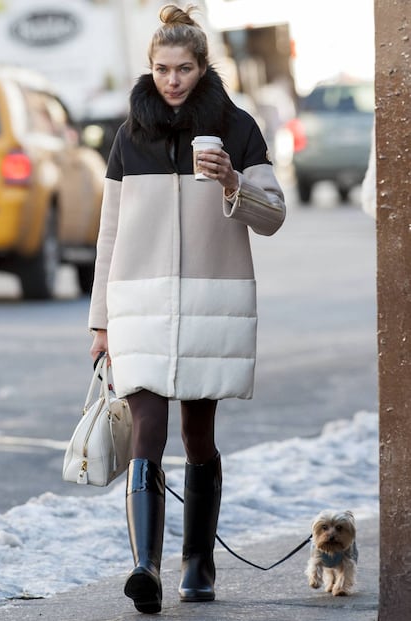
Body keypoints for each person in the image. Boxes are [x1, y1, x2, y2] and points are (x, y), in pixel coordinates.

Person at [88, 3, 286, 614]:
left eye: (183, 69)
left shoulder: (238, 128)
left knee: (199, 434)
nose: (172, 80)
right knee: (147, 427)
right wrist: (100, 321)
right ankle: (145, 565)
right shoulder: (130, 134)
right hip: (138, 302)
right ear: (150, 69)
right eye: (162, 69)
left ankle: (197, 562)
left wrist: (232, 180)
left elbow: (273, 216)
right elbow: (109, 232)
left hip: (209, 303)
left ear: (202, 67)